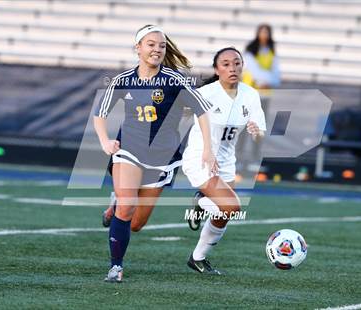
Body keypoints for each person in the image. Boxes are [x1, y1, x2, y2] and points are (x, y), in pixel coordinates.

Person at [94, 24, 217, 282]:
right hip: (128, 150)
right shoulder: (123, 80)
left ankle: (115, 202)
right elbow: (100, 114)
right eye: (151, 44)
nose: (157, 49)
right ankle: (116, 267)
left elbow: (202, 111)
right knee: (127, 208)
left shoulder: (174, 80)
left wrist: (208, 148)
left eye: (161, 45)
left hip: (162, 157)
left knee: (136, 224)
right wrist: (105, 141)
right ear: (138, 48)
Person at [182, 47, 266, 274]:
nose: (233, 68)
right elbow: (195, 120)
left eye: (237, 63)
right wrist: (207, 151)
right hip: (201, 157)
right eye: (226, 64)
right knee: (231, 207)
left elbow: (260, 133)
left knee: (224, 215)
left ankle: (198, 257)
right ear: (217, 69)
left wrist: (255, 129)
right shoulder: (207, 93)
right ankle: (200, 202)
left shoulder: (250, 94)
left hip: (227, 161)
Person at [238, 23, 281, 176]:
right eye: (262, 32)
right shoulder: (250, 50)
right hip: (249, 94)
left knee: (258, 128)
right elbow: (254, 70)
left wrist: (269, 81)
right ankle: (238, 159)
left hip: (264, 95)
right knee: (243, 127)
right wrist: (266, 79)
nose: (264, 35)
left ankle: (254, 161)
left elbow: (277, 74)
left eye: (266, 32)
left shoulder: (272, 51)